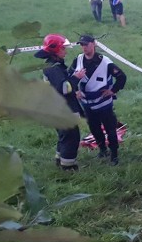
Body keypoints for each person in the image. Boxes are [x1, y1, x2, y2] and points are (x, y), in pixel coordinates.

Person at [71, 35, 127, 165]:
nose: (84, 47)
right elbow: (70, 77)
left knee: (110, 129)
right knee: (94, 128)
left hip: (104, 104)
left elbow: (122, 77)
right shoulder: (78, 60)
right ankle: (102, 150)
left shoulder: (105, 62)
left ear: (94, 44)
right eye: (82, 45)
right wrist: (75, 90)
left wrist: (113, 90)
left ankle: (114, 155)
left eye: (86, 44)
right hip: (87, 104)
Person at [35, 34, 83, 171]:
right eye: (63, 49)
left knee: (64, 135)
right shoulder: (53, 68)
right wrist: (76, 78)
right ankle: (68, 167)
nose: (65, 51)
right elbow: (64, 88)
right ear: (55, 50)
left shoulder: (53, 65)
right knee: (71, 137)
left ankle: (60, 158)